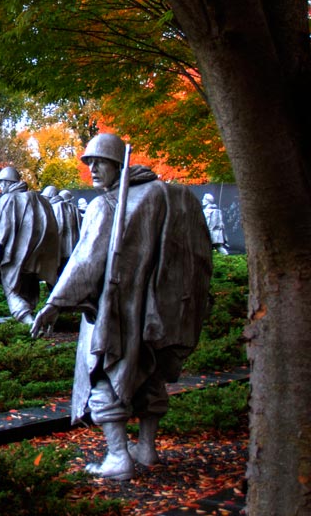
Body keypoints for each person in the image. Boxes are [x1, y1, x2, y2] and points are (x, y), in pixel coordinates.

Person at [31, 133, 212, 481]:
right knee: (149, 374)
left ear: (118, 164)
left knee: (101, 374)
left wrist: (54, 303)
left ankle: (118, 457)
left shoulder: (108, 204)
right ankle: (146, 449)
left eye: (100, 162)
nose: (93, 169)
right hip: (155, 313)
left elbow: (86, 262)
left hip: (113, 312)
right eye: (89, 163)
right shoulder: (165, 196)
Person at [0, 166, 59, 324]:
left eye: (1, 183)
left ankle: (29, 322)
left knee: (11, 289)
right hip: (34, 256)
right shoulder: (38, 199)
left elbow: (1, 228)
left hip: (12, 256)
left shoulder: (7, 199)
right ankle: (39, 318)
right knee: (29, 286)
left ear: (8, 182)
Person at [42, 185, 81, 275]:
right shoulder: (72, 207)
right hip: (73, 248)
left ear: (51, 197)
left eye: (45, 197)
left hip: (62, 250)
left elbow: (57, 229)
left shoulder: (57, 206)